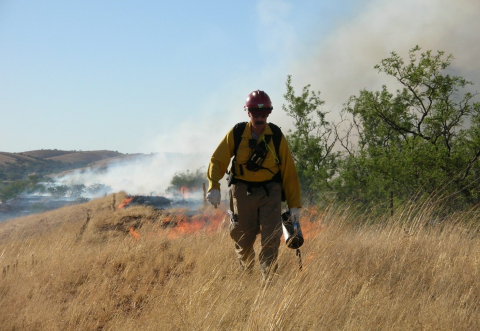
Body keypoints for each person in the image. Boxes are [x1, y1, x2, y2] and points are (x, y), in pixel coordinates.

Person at [206, 90, 302, 281]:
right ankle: (247, 275)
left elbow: (289, 173)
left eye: (264, 113)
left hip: (271, 193)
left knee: (271, 239)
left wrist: (294, 205)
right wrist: (213, 185)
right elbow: (218, 159)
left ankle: (268, 282)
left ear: (269, 113)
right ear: (247, 112)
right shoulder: (237, 133)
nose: (260, 117)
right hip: (242, 192)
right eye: (255, 113)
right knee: (243, 238)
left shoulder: (275, 135)